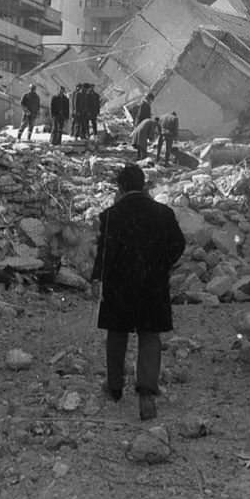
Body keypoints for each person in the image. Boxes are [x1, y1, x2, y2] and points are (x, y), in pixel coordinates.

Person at [91, 163, 186, 419]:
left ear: (120, 187)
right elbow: (178, 244)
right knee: (149, 335)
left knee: (117, 335)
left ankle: (114, 387)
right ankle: (146, 394)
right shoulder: (163, 213)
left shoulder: (111, 215)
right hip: (151, 283)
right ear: (143, 184)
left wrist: (97, 278)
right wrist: (162, 263)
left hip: (119, 284)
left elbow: (104, 252)